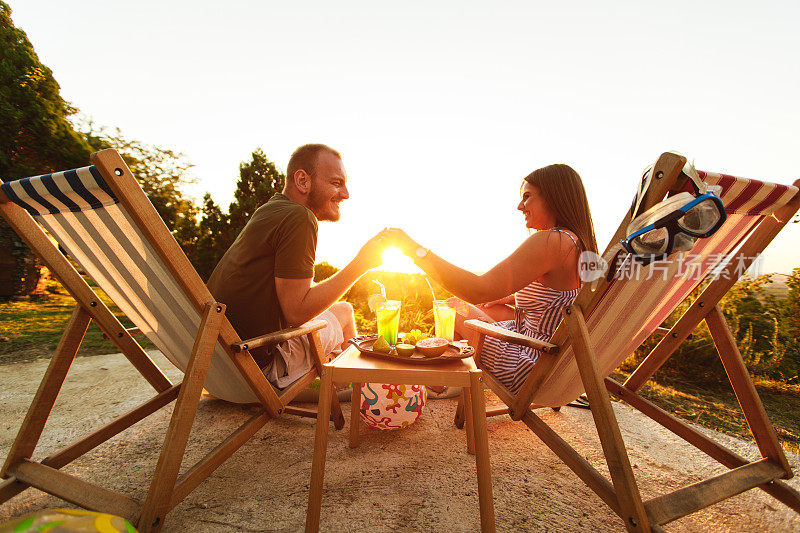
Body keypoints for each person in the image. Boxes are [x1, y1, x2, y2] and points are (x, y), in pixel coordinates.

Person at [388, 164, 597, 393]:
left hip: (529, 367)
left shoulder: (551, 241)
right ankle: (454, 382)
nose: (520, 206)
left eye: (527, 197)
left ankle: (443, 386)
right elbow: (556, 300)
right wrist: (508, 298)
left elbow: (477, 289)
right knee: (490, 309)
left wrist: (415, 251)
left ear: (555, 197)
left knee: (453, 307)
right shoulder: (577, 243)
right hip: (554, 358)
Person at [207, 144, 387, 388]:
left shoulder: (269, 210)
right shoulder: (300, 217)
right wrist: (361, 264)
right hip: (255, 366)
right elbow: (296, 312)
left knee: (335, 313)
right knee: (343, 312)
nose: (346, 193)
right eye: (336, 183)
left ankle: (338, 381)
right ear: (302, 180)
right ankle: (366, 390)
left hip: (216, 368)